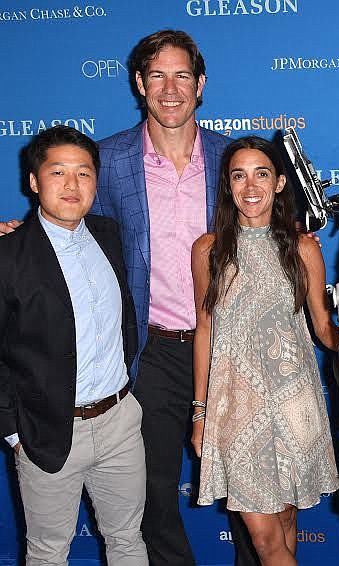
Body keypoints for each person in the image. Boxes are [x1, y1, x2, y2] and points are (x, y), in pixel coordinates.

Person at [0, 30, 263, 566]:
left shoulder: (233, 158)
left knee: (252, 493)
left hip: (235, 348)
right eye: (157, 76)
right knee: (152, 503)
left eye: (182, 75)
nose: (170, 89)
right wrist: (19, 235)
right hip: (152, 353)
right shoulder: (108, 158)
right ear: (139, 84)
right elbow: (69, 223)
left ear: (201, 84)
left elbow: (279, 234)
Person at [190, 136, 339, 565]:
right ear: (228, 185)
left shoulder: (303, 247)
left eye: (262, 173)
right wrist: (200, 412)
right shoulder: (208, 249)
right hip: (235, 409)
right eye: (239, 175)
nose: (250, 185)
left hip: (295, 403)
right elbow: (205, 331)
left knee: (287, 523)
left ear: (279, 183)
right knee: (264, 540)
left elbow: (322, 327)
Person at [0, 126, 146, 565]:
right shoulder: (9, 256)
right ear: (33, 181)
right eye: (57, 171)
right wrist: (13, 432)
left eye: (83, 173)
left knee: (128, 540)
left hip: (120, 421)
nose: (71, 184)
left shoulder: (108, 234)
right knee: (48, 553)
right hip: (46, 431)